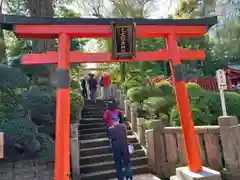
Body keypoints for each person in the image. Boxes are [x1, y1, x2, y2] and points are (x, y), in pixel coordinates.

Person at [108, 114, 133, 180]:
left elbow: (110, 139)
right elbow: (126, 135)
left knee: (118, 165)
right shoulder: (123, 126)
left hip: (116, 149)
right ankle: (129, 178)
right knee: (127, 163)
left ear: (112, 121)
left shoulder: (110, 129)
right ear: (118, 120)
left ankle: (120, 178)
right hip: (124, 147)